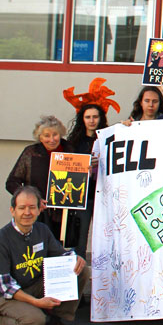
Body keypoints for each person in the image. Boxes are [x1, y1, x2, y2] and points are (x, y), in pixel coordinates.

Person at [0, 186, 91, 325]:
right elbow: (7, 287)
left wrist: (74, 258)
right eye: (22, 208)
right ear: (13, 211)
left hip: (31, 285)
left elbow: (60, 254)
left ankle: (55, 323)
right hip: (2, 295)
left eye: (32, 207)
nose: (27, 212)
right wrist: (37, 303)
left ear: (39, 210)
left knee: (80, 270)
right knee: (34, 321)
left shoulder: (42, 230)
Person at [5, 115, 73, 239]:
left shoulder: (71, 150)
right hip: (37, 214)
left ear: (61, 134)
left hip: (65, 214)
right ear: (40, 137)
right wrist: (32, 199)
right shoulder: (31, 153)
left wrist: (87, 172)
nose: (51, 139)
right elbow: (12, 182)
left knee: (61, 247)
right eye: (47, 135)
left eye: (55, 135)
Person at [66, 103, 107, 259]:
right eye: (88, 117)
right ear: (82, 119)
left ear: (101, 118)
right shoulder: (74, 142)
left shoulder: (107, 139)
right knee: (80, 238)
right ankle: (79, 267)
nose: (91, 120)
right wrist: (85, 166)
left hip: (102, 196)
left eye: (95, 117)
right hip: (82, 197)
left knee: (103, 236)